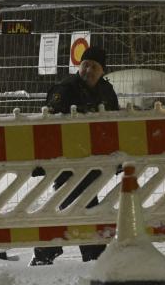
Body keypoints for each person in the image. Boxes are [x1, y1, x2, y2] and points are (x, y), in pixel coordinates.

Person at [30, 46, 120, 266]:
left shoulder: (107, 92)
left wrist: (118, 158)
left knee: (79, 206)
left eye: (94, 67)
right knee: (80, 206)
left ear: (102, 71)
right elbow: (48, 124)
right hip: (66, 163)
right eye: (85, 65)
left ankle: (49, 252)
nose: (88, 70)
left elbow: (117, 124)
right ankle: (92, 257)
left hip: (94, 163)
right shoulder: (65, 88)